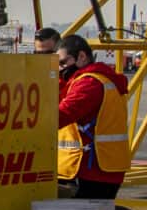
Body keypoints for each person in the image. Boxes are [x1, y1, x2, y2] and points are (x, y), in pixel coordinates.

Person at [54, 34, 129, 199]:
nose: (61, 69)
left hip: (90, 169)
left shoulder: (88, 84)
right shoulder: (104, 79)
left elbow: (61, 115)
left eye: (63, 63)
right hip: (105, 168)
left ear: (81, 57)